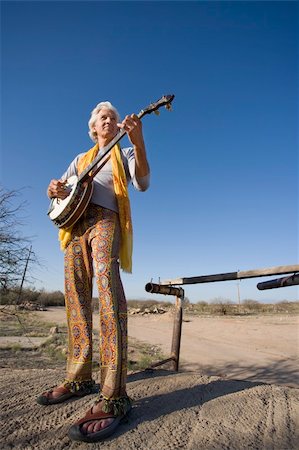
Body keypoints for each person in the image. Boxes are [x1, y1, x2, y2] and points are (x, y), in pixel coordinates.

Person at [37, 101, 150, 443]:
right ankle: (79, 377)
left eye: (114, 117)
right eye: (104, 117)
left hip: (106, 219)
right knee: (75, 297)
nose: (110, 120)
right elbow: (60, 192)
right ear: (93, 127)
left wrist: (140, 140)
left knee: (108, 292)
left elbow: (142, 182)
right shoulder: (80, 159)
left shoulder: (126, 150)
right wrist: (52, 189)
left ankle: (114, 395)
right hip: (74, 225)